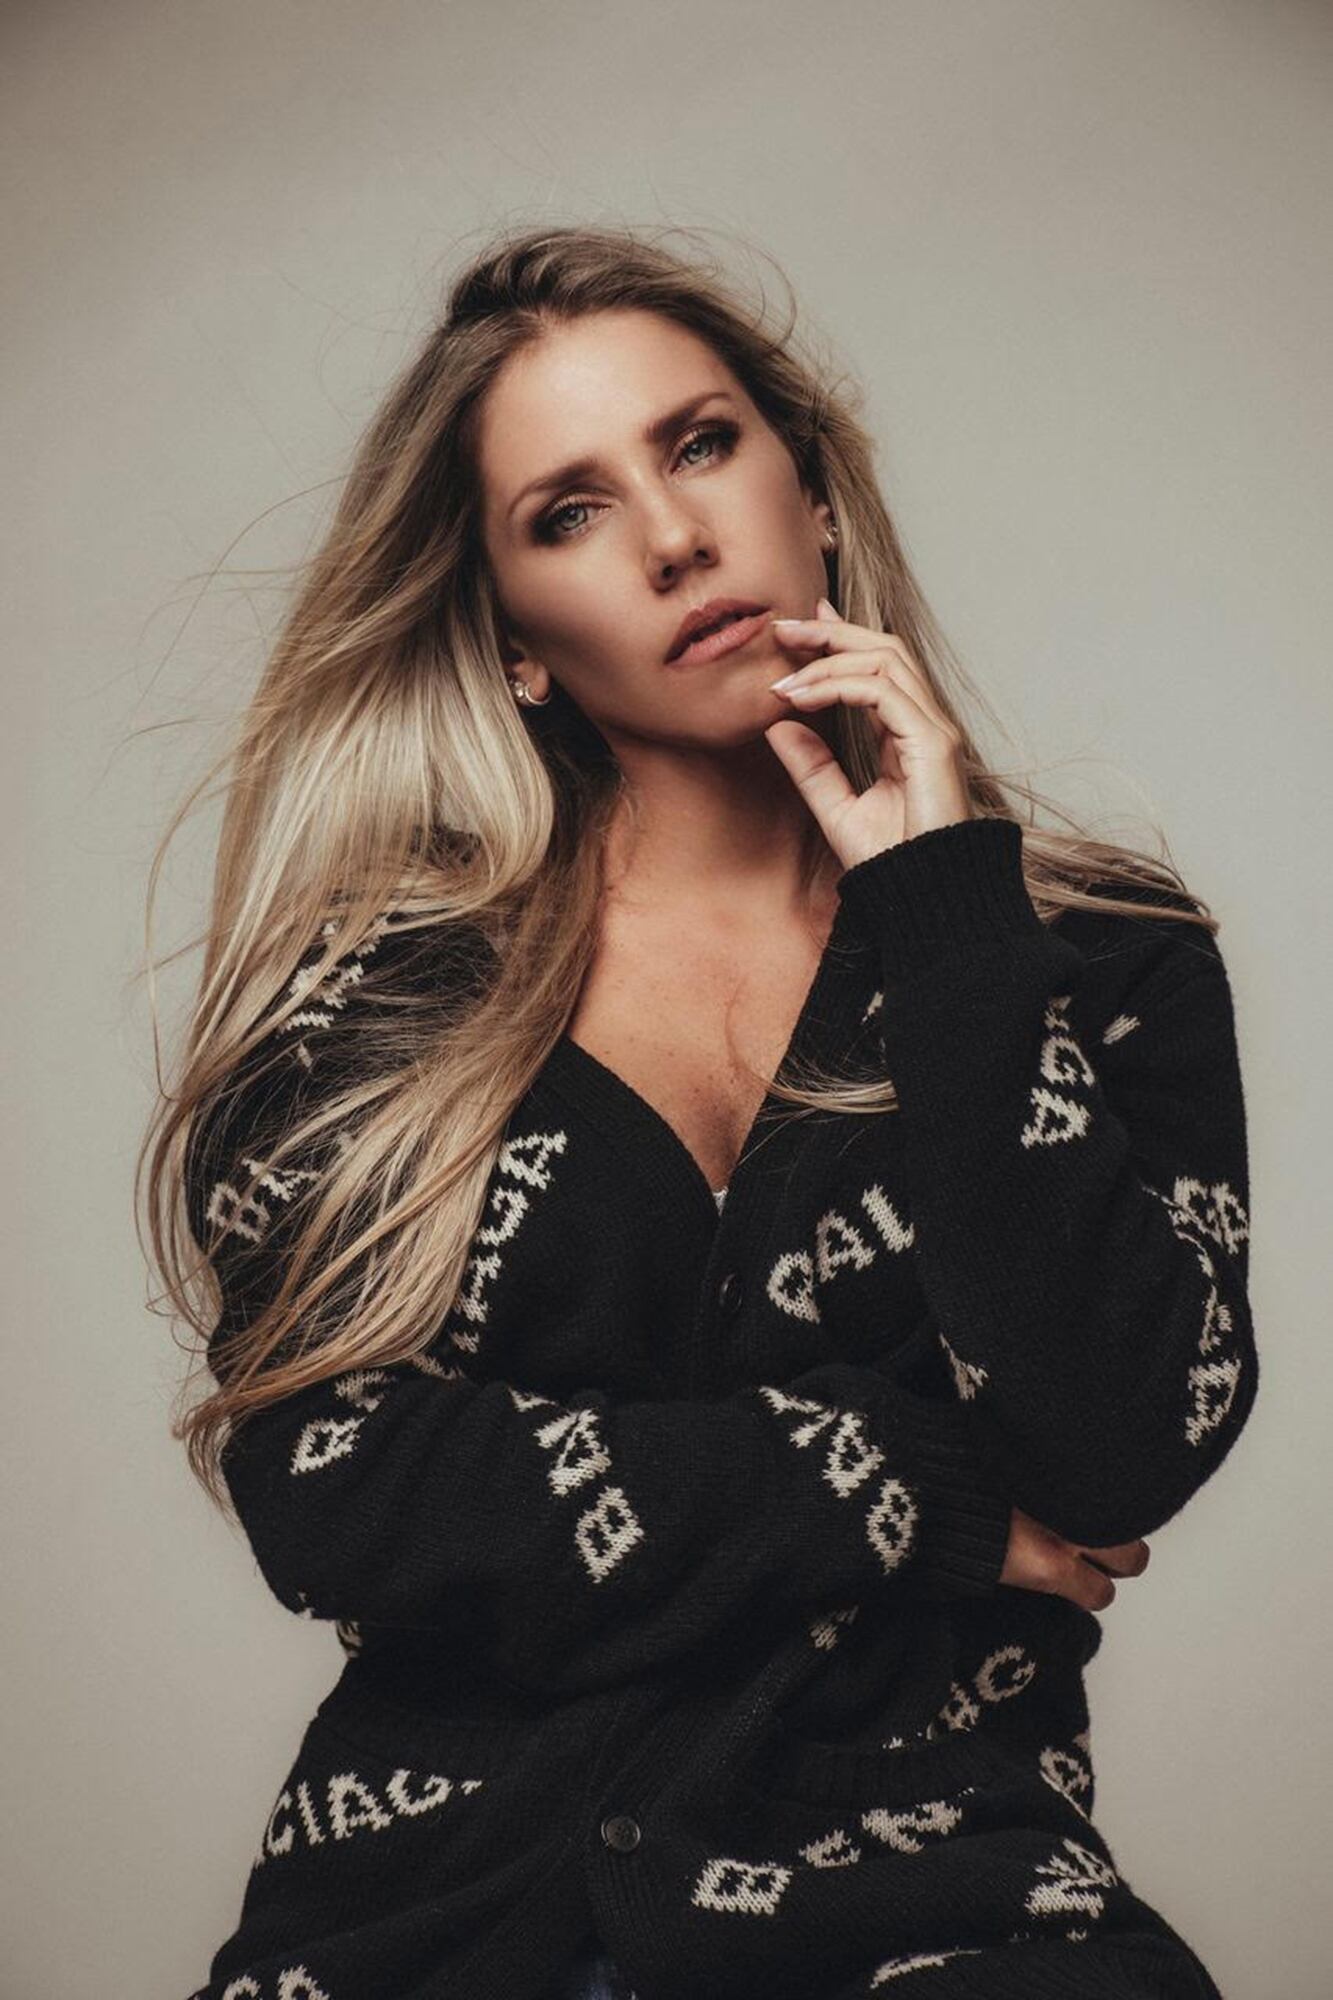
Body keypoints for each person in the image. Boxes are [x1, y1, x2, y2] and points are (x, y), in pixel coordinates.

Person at [145, 224, 1256, 2000]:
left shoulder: (1096, 956)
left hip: (944, 1910)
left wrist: (948, 916)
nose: (672, 537)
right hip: (432, 1926)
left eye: (700, 443)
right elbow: (343, 1492)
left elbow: (1119, 1446)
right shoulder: (380, 1010)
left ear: (807, 491)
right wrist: (902, 1486)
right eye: (567, 513)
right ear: (513, 642)